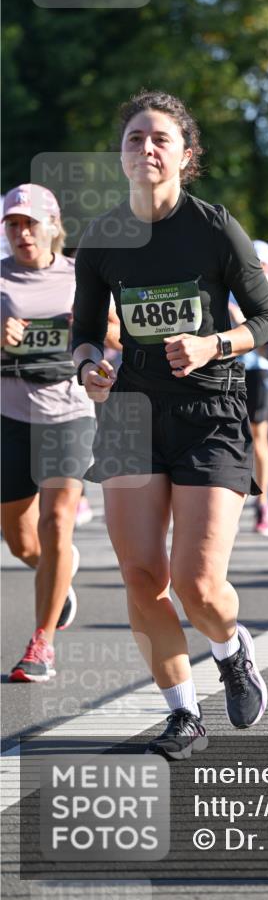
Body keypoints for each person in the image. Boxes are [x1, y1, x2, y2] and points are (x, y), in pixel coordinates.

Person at [72, 90, 268, 759]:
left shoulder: (215, 228)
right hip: (131, 414)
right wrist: (88, 370)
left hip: (209, 414)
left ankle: (231, 647)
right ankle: (182, 713)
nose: (147, 149)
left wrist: (213, 345)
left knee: (197, 585)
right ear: (122, 156)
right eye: (135, 139)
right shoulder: (103, 238)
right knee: (141, 576)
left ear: (185, 156)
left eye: (161, 138)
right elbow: (83, 336)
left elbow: (267, 321)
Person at [1, 183, 95, 681]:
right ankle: (56, 575)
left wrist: (90, 328)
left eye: (30, 223)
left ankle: (42, 644)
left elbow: (117, 334)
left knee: (57, 520)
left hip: (68, 411)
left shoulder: (81, 277)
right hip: (10, 414)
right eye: (12, 224)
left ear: (52, 226)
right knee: (19, 538)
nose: (21, 233)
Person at [230, 240, 268, 537]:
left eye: (260, 263)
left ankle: (264, 502)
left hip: (261, 371)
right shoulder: (229, 286)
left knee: (259, 436)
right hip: (229, 369)